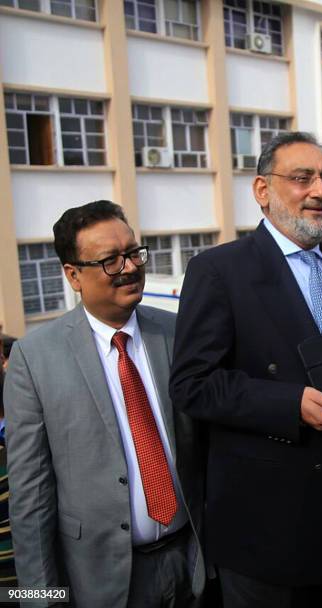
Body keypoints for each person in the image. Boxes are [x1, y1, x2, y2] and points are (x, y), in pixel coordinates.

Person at [170, 131, 322, 608]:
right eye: (302, 179)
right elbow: (192, 385)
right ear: (263, 191)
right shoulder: (219, 271)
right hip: (275, 531)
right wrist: (291, 405)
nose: (321, 191)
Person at [4, 201, 206, 608]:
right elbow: (31, 494)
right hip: (98, 580)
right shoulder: (35, 357)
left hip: (194, 561)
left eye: (134, 253)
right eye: (111, 260)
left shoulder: (175, 331)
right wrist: (40, 598)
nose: (130, 267)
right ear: (73, 275)